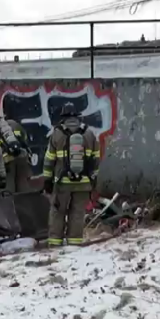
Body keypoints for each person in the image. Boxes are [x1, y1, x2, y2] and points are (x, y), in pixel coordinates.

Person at [42, 103, 100, 247]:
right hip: (84, 182)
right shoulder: (89, 134)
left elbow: (49, 160)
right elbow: (96, 159)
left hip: (62, 183)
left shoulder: (57, 134)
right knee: (78, 213)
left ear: (64, 117)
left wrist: (47, 180)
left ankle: (55, 243)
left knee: (57, 212)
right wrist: (93, 179)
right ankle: (74, 243)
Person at [0, 109, 35, 193]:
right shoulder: (13, 124)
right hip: (22, 158)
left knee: (9, 191)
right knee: (24, 186)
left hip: (8, 163)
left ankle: (13, 205)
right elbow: (24, 138)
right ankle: (27, 204)